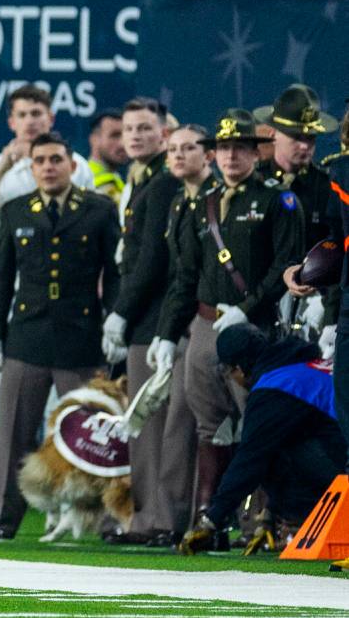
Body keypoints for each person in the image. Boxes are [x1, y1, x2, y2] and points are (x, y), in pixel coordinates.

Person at [154, 108, 305, 547]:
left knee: (257, 421)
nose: (231, 156)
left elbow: (285, 263)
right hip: (204, 324)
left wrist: (249, 306)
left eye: (240, 147)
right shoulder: (203, 204)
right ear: (214, 154)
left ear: (256, 154)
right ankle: (209, 519)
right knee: (209, 425)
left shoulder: (278, 200)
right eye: (223, 148)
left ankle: (261, 523)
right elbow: (185, 275)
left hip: (255, 329)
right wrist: (167, 332)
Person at [0, 84, 93, 529]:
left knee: (65, 406)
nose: (31, 120)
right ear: (11, 122)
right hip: (6, 295)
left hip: (66, 301)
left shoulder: (80, 169)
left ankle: (69, 505)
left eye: (38, 112)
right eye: (22, 113)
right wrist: (4, 165)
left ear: (51, 118)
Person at [0, 132, 119, 539]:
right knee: (12, 435)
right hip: (25, 337)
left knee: (95, 434)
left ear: (72, 165)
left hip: (81, 337)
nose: (47, 166)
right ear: (31, 167)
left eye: (56, 159)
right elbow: (2, 279)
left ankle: (109, 521)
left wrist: (116, 320)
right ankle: (3, 521)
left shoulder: (99, 210)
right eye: (39, 160)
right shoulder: (13, 210)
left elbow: (113, 275)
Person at [100, 98, 190, 546]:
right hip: (146, 317)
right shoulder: (142, 180)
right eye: (127, 129)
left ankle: (158, 520)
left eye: (143, 128)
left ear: (164, 134)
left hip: (155, 318)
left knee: (153, 423)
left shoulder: (161, 184)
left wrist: (122, 310)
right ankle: (148, 517)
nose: (133, 136)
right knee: (146, 423)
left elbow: (152, 261)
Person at [180, 324, 345, 555]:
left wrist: (212, 520)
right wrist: (270, 513)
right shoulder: (303, 367)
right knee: (278, 443)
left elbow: (249, 462)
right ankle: (289, 522)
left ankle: (299, 523)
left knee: (262, 451)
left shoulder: (274, 388)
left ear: (238, 368)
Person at [254, 85, 339, 337]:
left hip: (312, 304)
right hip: (260, 307)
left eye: (310, 138)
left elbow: (337, 248)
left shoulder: (327, 186)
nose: (305, 146)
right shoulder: (255, 184)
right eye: (296, 138)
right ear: (273, 134)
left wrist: (326, 302)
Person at [87, 109, 127, 205]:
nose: (122, 144)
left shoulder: (117, 180)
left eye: (125, 135)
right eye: (115, 136)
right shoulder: (85, 179)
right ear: (94, 139)